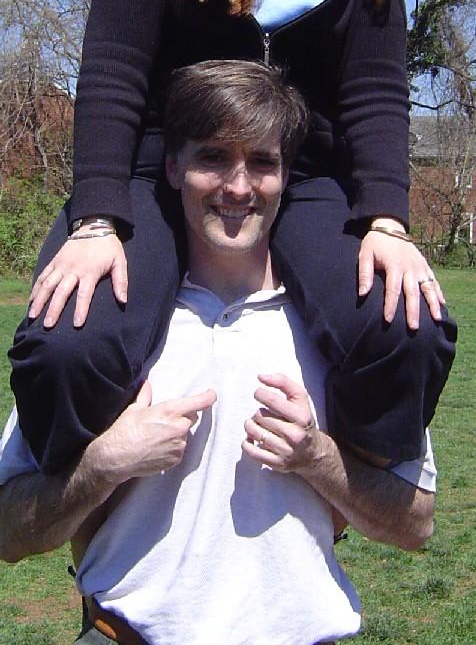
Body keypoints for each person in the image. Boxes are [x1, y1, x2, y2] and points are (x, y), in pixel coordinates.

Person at [9, 0, 456, 476]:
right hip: (168, 169)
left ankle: (348, 486)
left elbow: (377, 92)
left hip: (306, 176)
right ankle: (75, 497)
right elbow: (112, 70)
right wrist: (97, 217)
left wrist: (386, 219)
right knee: (67, 343)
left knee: (407, 331)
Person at [0, 61, 437, 645]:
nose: (238, 186)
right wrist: (105, 462)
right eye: (212, 158)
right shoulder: (108, 325)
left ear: (287, 174)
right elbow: (8, 530)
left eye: (262, 162)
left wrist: (318, 458)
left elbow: (416, 523)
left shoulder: (343, 329)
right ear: (172, 166)